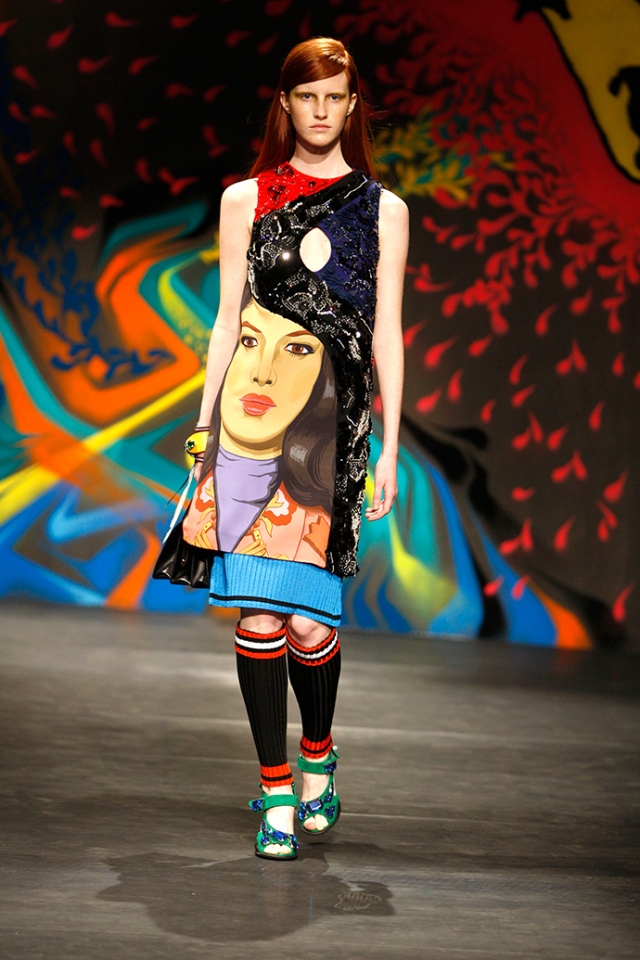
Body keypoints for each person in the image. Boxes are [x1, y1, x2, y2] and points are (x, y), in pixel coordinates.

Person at [182, 36, 408, 860]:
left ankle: (318, 755)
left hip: (331, 438)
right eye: (306, 96)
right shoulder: (246, 199)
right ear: (285, 104)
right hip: (251, 425)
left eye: (334, 96)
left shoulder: (383, 211)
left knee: (309, 629)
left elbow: (386, 334)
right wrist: (205, 425)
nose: (320, 110)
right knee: (259, 614)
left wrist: (388, 449)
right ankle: (277, 789)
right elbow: (225, 321)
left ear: (352, 105)